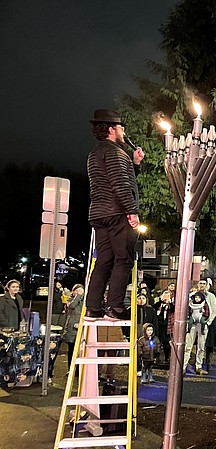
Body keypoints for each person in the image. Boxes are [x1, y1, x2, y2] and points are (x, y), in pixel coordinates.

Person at [85, 109, 143, 321]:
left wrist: (134, 163)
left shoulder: (94, 154)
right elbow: (120, 186)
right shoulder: (116, 153)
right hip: (117, 212)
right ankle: (115, 307)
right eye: (120, 127)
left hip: (99, 214)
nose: (123, 131)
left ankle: (93, 308)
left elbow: (115, 180)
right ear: (111, 129)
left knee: (104, 260)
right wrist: (132, 212)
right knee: (124, 260)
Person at [62, 284, 85, 376]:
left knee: (81, 350)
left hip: (81, 327)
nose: (79, 292)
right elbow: (71, 306)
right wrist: (78, 296)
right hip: (72, 328)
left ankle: (80, 370)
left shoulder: (84, 300)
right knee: (71, 350)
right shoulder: (70, 299)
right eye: (77, 290)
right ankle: (71, 369)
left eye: (81, 290)